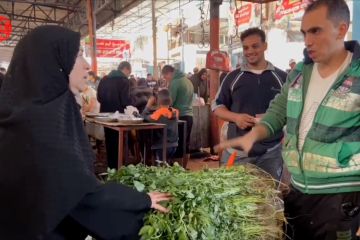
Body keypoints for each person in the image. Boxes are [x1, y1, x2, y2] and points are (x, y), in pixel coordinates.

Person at [0, 25, 171, 239]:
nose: (88, 65)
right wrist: (140, 201)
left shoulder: (34, 111)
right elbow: (77, 194)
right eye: (78, 55)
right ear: (54, 64)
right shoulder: (42, 124)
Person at [216, 0, 360, 239]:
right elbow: (277, 111)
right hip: (299, 188)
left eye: (316, 31)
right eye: (304, 33)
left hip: (340, 194)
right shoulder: (300, 73)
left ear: (341, 29)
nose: (308, 41)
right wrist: (253, 135)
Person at [212, 27, 287, 180]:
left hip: (271, 152)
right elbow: (216, 107)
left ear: (265, 46)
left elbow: (292, 109)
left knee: (269, 197)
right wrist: (236, 118)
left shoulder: (282, 77)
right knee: (236, 198)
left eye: (255, 46)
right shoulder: (232, 77)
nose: (250, 51)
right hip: (238, 152)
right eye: (246, 47)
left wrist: (272, 117)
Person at [97, 61, 132, 169]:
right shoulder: (124, 81)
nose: (128, 75)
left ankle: (111, 167)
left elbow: (99, 98)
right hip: (118, 117)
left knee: (109, 140)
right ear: (125, 69)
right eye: (129, 72)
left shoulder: (104, 79)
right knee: (119, 141)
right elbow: (125, 101)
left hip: (105, 116)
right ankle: (118, 168)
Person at [161, 65, 194, 168]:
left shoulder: (175, 82)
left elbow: (169, 102)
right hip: (190, 116)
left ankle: (178, 170)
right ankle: (184, 167)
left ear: (169, 73)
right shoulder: (187, 81)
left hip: (180, 116)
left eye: (166, 77)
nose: (166, 79)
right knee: (186, 142)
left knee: (178, 143)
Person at [142, 89, 179, 164]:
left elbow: (143, 116)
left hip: (162, 146)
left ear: (158, 100)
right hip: (174, 145)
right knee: (166, 165)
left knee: (161, 169)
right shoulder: (175, 111)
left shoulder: (158, 114)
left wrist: (148, 105)